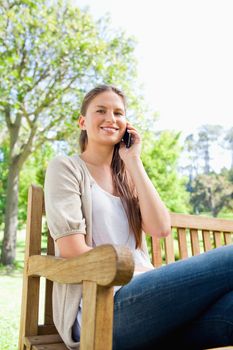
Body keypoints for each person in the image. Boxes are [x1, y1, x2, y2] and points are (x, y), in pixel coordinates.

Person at [44, 84, 233, 350]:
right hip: (103, 311)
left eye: (119, 113)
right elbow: (73, 250)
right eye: (101, 110)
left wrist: (133, 161)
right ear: (83, 121)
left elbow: (161, 229)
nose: (111, 118)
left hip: (152, 312)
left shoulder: (128, 178)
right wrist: (138, 271)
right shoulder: (66, 168)